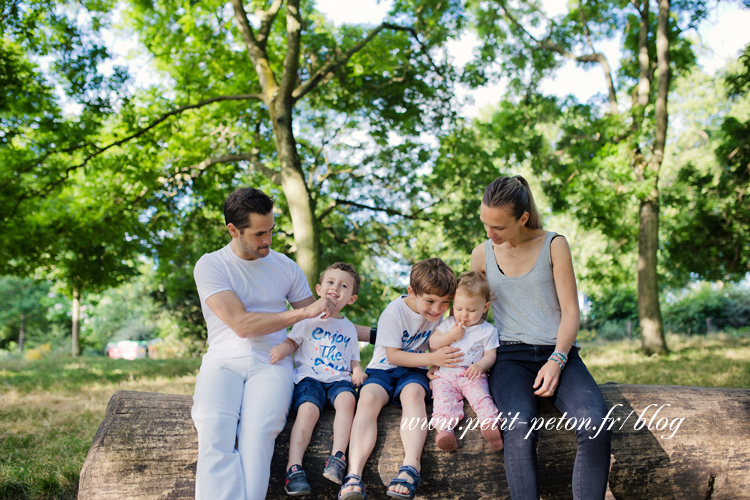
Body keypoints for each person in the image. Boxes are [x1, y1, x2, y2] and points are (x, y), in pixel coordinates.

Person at [191, 187, 367, 500]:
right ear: (234, 230)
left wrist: (386, 335)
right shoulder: (211, 265)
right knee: (214, 427)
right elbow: (242, 325)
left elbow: (324, 318)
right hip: (223, 361)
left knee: (259, 433)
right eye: (259, 233)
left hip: (273, 363)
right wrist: (302, 311)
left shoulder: (285, 266)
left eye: (271, 229)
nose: (268, 240)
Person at [471, 175, 612, 500]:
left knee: (594, 424)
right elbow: (469, 313)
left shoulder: (554, 244)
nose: (489, 234)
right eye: (484, 223)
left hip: (558, 352)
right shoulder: (482, 255)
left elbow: (570, 312)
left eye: (499, 227)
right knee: (519, 428)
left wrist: (557, 359)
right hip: (508, 358)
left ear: (522, 218)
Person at [337, 258, 462, 500]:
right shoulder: (394, 312)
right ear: (412, 292)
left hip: (414, 370)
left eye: (445, 303)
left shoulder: (441, 316)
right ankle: (353, 474)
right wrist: (431, 356)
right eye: (430, 301)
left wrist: (435, 362)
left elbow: (438, 343)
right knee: (367, 399)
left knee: (414, 395)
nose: (437, 309)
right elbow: (393, 355)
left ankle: (411, 466)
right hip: (384, 367)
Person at [269, 262, 368, 496]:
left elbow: (354, 358)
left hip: (338, 380)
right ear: (319, 288)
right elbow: (294, 342)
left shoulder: (349, 328)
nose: (335, 288)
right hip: (310, 378)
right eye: (330, 282)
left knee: (348, 402)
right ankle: (294, 467)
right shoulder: (308, 319)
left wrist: (357, 371)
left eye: (343, 285)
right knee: (308, 411)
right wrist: (283, 348)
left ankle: (338, 457)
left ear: (351, 299)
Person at [428, 271, 503, 453]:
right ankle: (445, 432)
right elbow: (432, 344)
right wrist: (451, 336)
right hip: (445, 376)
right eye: (459, 308)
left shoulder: (487, 331)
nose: (464, 315)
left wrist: (480, 366)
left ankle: (490, 426)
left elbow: (490, 355)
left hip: (471, 375)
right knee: (442, 401)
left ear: (485, 307)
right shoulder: (449, 323)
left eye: (471, 310)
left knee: (482, 398)